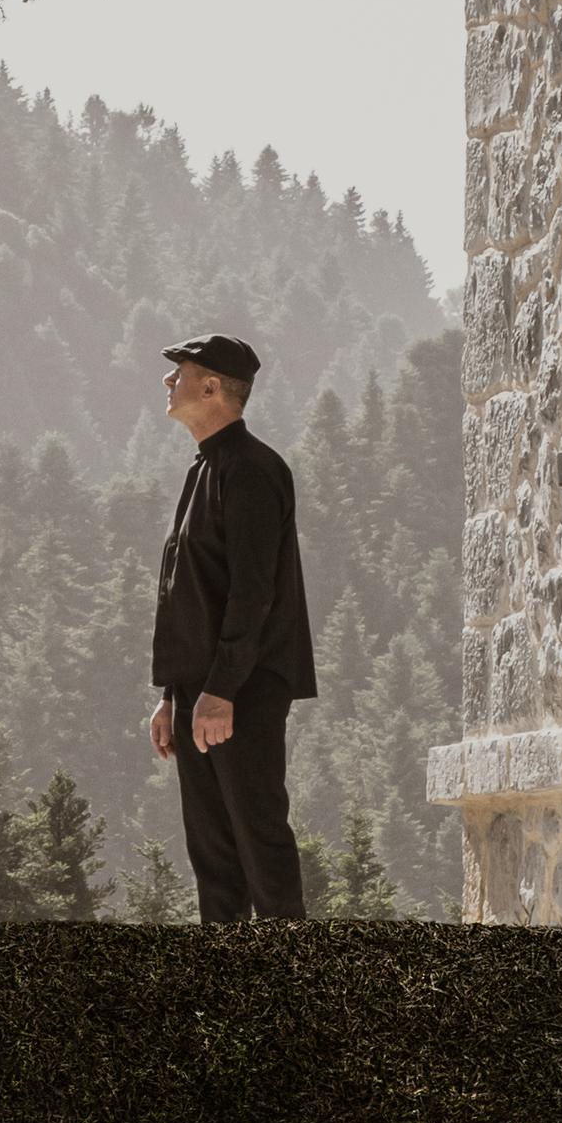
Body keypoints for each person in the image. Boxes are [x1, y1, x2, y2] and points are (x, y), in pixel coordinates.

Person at [147, 331, 316, 924]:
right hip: (203, 694)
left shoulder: (251, 471)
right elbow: (190, 595)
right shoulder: (205, 468)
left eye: (181, 373)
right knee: (214, 857)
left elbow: (252, 595)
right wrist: (175, 696)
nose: (169, 381)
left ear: (212, 386)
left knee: (258, 844)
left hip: (240, 691)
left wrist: (218, 692)